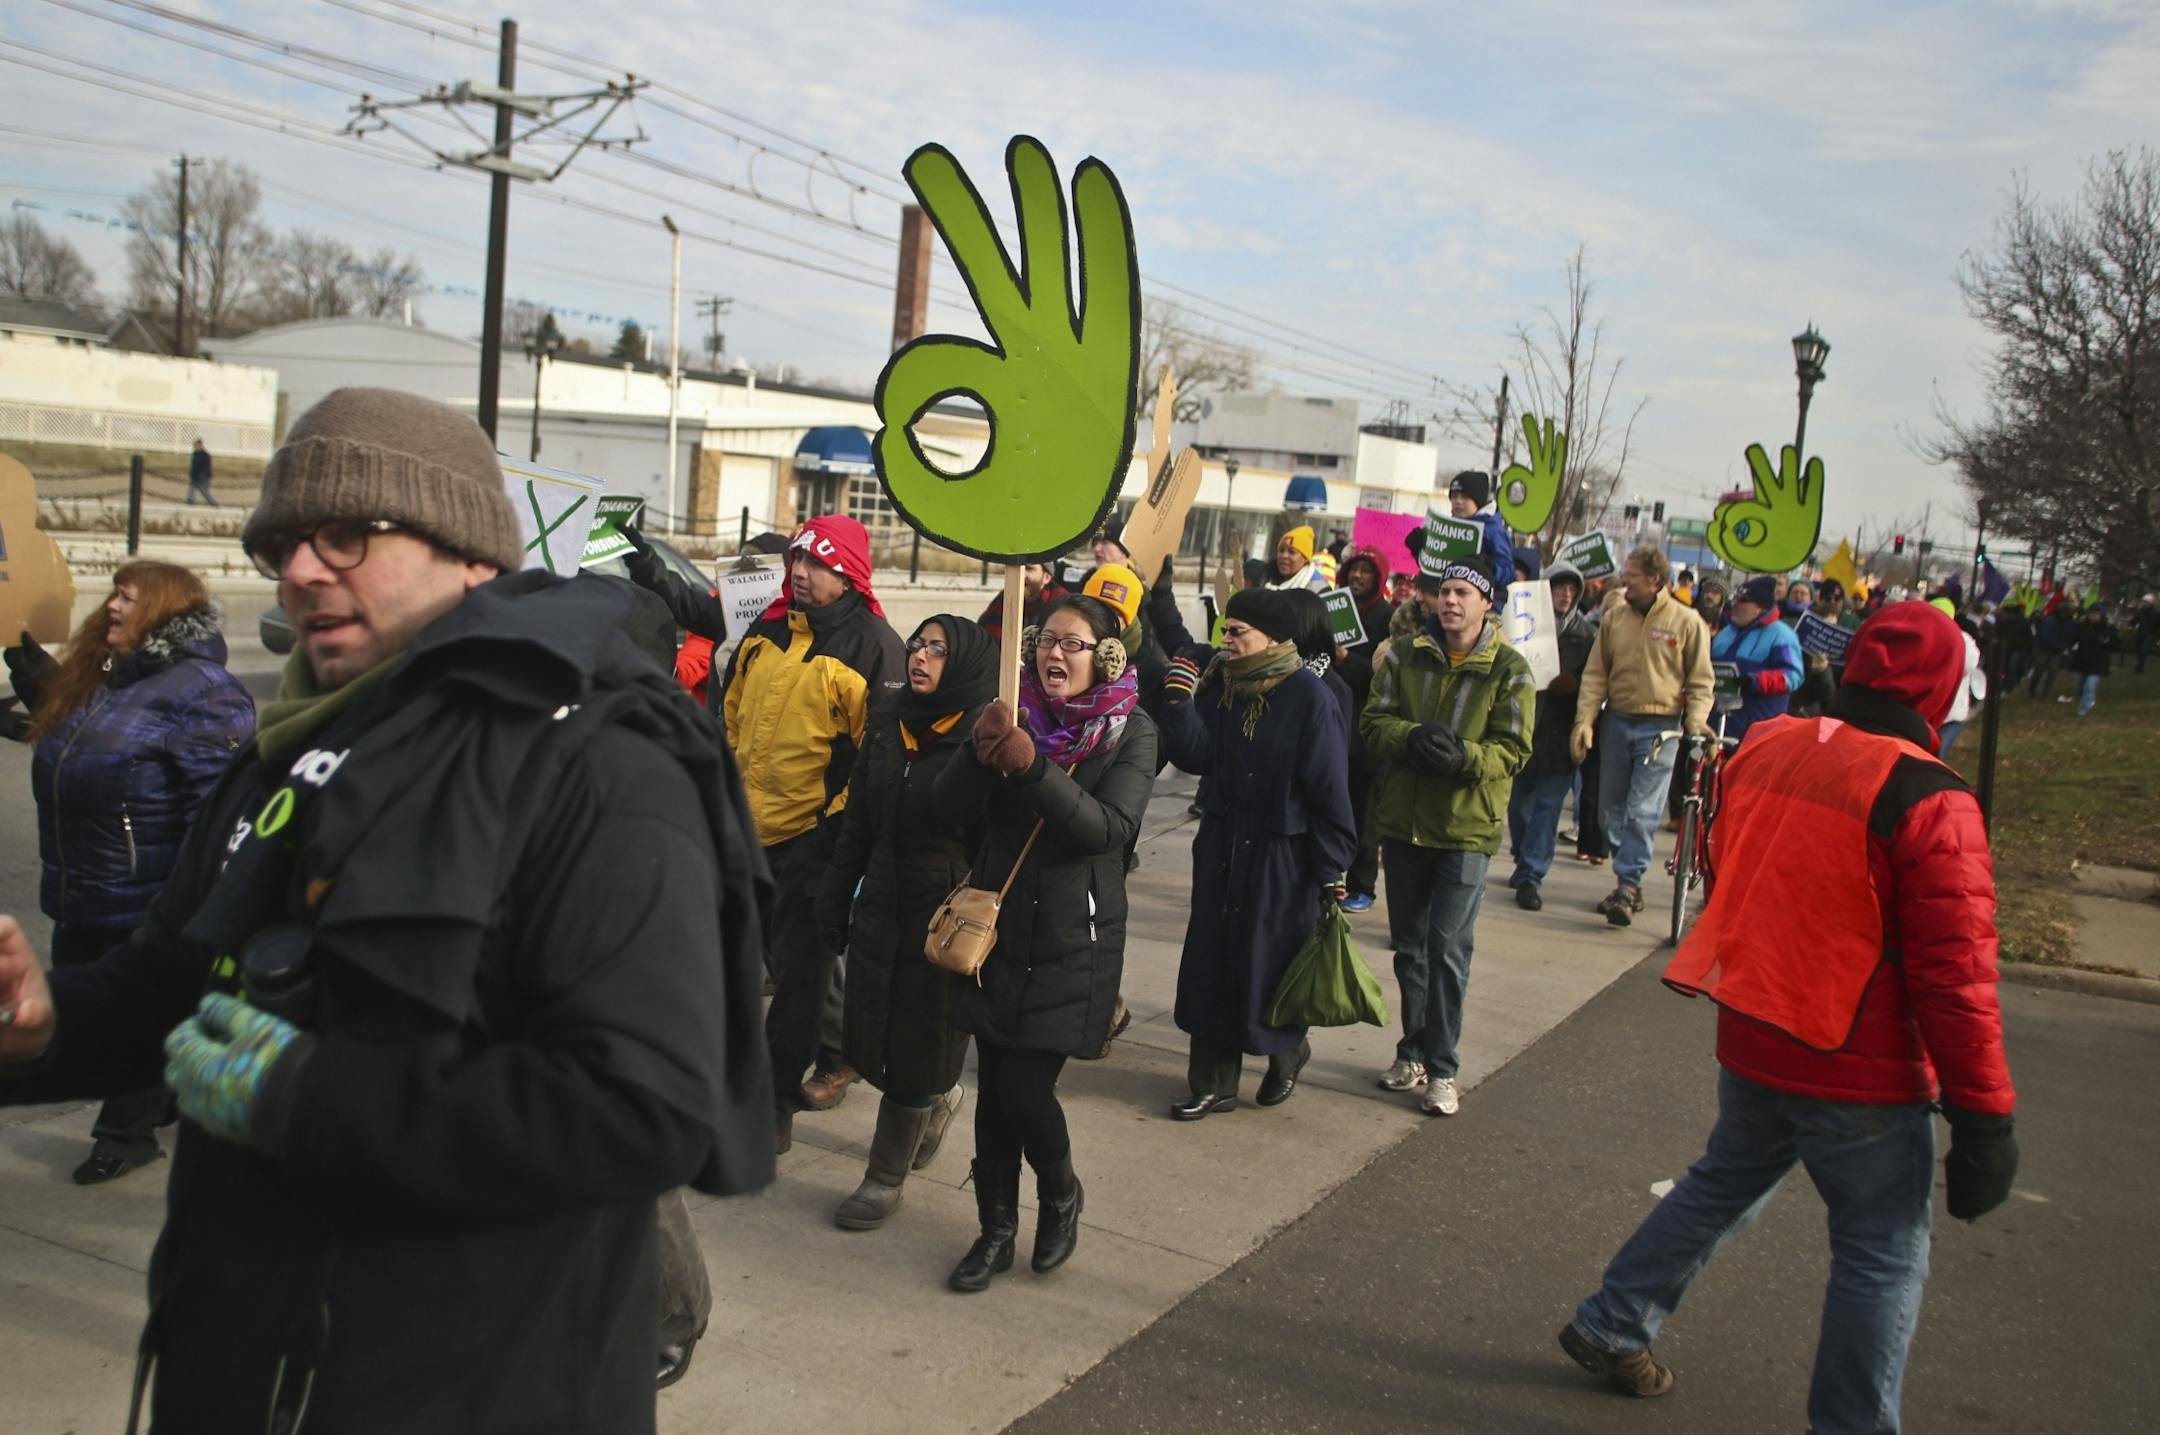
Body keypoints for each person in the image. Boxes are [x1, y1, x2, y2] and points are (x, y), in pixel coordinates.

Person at [0, 387, 774, 1431]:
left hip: (472, 1390)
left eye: (345, 535)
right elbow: (180, 979)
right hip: (240, 1372)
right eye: (284, 544)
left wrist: (302, 1096)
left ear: (470, 553)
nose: (302, 569)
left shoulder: (597, 757)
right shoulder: (287, 747)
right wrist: (44, 1017)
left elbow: (644, 1105)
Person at [1559, 602, 2018, 1432]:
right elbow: (1958, 979)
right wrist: (1985, 1115)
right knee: (1880, 1252)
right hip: (1860, 1067)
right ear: (1942, 689)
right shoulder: (1930, 795)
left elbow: (1727, 866)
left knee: (1718, 1186)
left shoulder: (1770, 749)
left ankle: (1613, 1317)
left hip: (1757, 1029)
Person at [935, 594, 1157, 1291]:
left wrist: (1033, 768)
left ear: (1109, 656)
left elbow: (1106, 831)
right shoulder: (1008, 711)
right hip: (995, 931)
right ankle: (994, 1229)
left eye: (1073, 643)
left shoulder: (1132, 730)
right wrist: (980, 752)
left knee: (1027, 1090)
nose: (1054, 654)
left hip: (1073, 938)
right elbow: (944, 811)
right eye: (1046, 641)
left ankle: (1061, 1192)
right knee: (994, 1090)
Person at [7, 561, 253, 1184]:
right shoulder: (107, 678)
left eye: (128, 596)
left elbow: (219, 805)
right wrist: (43, 691)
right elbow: (88, 747)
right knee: (89, 1011)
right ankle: (159, 1092)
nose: (112, 605)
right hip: (81, 885)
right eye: (114, 593)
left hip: (147, 893)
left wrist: (205, 895)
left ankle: (126, 1133)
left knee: (126, 1012)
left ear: (166, 610)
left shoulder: (203, 690)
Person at [719, 517, 905, 1139]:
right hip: (745, 832)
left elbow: (880, 756)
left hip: (813, 842)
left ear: (848, 572)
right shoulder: (765, 628)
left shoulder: (875, 647)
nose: (799, 573)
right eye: (797, 559)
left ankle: (771, 1109)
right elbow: (731, 717)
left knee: (798, 985)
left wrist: (834, 838)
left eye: (817, 564)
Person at [816, 616, 997, 1230]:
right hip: (882, 899)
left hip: (943, 912)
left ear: (966, 663)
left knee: (918, 1044)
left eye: (937, 650)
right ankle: (941, 1097)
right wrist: (835, 899)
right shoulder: (890, 719)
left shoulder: (985, 731)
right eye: (917, 645)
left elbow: (988, 839)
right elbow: (860, 822)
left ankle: (883, 1176)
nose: (920, 657)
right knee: (875, 1038)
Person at [1159, 588, 1356, 1120]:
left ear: (1272, 638)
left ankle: (1287, 1051)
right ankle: (1213, 1083)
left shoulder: (1311, 699)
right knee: (1211, 962)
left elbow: (1331, 792)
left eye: (1238, 633)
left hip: (1281, 858)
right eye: (1226, 631)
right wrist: (1179, 699)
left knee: (1268, 964)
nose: (1228, 642)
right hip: (1223, 845)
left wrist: (1331, 868)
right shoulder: (1223, 686)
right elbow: (1196, 755)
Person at [1359, 554, 1533, 1116]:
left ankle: (1443, 1068)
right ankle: (1412, 1049)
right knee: (1409, 948)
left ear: (1488, 603)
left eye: (1464, 592)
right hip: (1407, 826)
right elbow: (1372, 723)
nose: (1451, 601)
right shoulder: (1403, 657)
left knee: (1447, 951)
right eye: (1445, 591)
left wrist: (1464, 756)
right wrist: (1410, 738)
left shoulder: (1510, 668)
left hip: (1466, 830)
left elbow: (1515, 749)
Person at [1571, 545, 1714, 926]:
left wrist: (1696, 721)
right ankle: (1628, 877)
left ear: (1654, 580)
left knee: (1641, 811)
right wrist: (1585, 720)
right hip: (1617, 722)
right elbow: (1595, 675)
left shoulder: (1687, 623)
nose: (1624, 580)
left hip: (1661, 728)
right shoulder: (1614, 619)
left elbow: (1701, 681)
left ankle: (1628, 884)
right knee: (1609, 811)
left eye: (1631, 574)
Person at [1506, 563, 1595, 910]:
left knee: (1547, 808)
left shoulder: (1586, 636)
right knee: (1518, 806)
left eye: (1573, 590)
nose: (1566, 595)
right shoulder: (1522, 625)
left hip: (1560, 733)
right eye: (1560, 588)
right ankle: (1524, 856)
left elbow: (1594, 680)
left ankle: (1531, 874)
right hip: (1524, 729)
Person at [1333, 547, 1398, 911]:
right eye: (1353, 569)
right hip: (1335, 725)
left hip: (1366, 734)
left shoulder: (1388, 619)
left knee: (1364, 813)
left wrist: (1347, 660)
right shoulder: (1334, 609)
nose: (1358, 577)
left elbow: (1384, 679)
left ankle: (1362, 885)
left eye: (1366, 571)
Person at [1708, 575, 1804, 747]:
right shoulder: (1724, 634)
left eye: (1743, 601)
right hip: (1717, 727)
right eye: (1735, 599)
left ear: (1759, 607)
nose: (1735, 604)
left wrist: (1757, 681)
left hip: (1758, 732)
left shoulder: (1781, 635)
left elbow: (1793, 676)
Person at [1445, 470, 1516, 585]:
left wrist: (1490, 569)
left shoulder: (1492, 529)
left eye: (1465, 497)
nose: (1458, 501)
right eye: (1454, 496)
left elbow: (1508, 572)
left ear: (1478, 500)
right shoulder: (1449, 527)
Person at [980, 561, 1066, 643]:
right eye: (1017, 568)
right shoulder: (1002, 600)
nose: (1021, 574)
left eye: (1028, 568)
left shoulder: (1062, 605)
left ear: (1046, 577)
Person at [2069, 605, 2114, 716]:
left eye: (2096, 614)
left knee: (2090, 685)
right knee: (2080, 686)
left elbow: (2114, 644)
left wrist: (2106, 642)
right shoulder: (2082, 626)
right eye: (2091, 614)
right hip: (2082, 660)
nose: (2093, 616)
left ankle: (2083, 709)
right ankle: (2088, 699)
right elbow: (2073, 638)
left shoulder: (2107, 628)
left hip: (2097, 662)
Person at [2027, 601, 2073, 698]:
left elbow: (2068, 635)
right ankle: (2032, 689)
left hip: (2056, 651)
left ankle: (2045, 693)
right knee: (2039, 670)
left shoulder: (2068, 622)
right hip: (2043, 649)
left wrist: (2065, 646)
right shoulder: (2050, 620)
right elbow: (2047, 636)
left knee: (2053, 671)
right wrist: (2060, 646)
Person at [1268, 525, 1329, 591]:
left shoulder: (1318, 588)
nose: (1284, 556)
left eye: (1291, 552)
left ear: (1306, 558)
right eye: (1281, 550)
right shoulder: (1265, 577)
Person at [186, 437, 217, 506]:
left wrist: (203, 475)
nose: (195, 447)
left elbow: (206, 467)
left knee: (205, 492)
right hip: (194, 476)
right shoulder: (195, 454)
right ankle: (189, 503)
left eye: (196, 445)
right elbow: (193, 466)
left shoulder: (205, 455)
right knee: (191, 490)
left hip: (202, 477)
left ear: (200, 445)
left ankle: (213, 504)